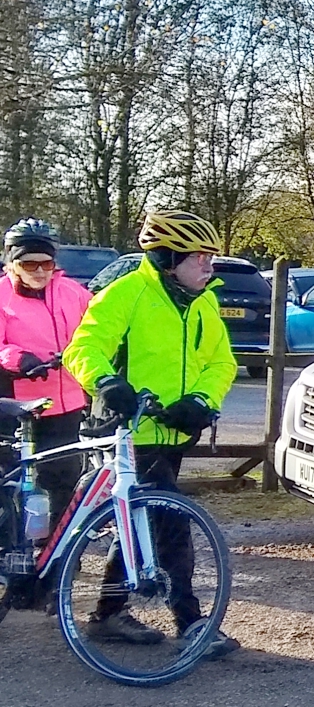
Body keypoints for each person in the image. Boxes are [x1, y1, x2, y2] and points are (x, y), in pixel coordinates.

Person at [61, 210, 239, 659]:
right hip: (131, 432)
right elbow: (83, 348)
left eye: (210, 257)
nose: (209, 265)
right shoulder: (128, 293)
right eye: (199, 256)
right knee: (171, 523)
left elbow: (222, 362)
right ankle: (191, 621)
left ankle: (107, 613)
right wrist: (106, 382)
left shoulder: (203, 302)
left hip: (174, 431)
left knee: (136, 522)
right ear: (167, 259)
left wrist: (201, 400)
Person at [0, 218, 93, 533]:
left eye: (47, 263)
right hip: (18, 403)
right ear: (12, 263)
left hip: (66, 403)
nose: (40, 271)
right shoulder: (2, 295)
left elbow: (96, 334)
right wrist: (19, 358)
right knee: (15, 479)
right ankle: (14, 542)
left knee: (64, 477)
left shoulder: (73, 293)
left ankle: (59, 546)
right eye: (29, 264)